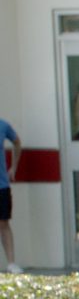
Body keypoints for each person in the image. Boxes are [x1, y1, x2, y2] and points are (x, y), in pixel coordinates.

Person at [0, 115, 20, 273]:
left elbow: (17, 142)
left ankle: (11, 263)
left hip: (2, 185)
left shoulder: (3, 125)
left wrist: (14, 167)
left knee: (3, 223)